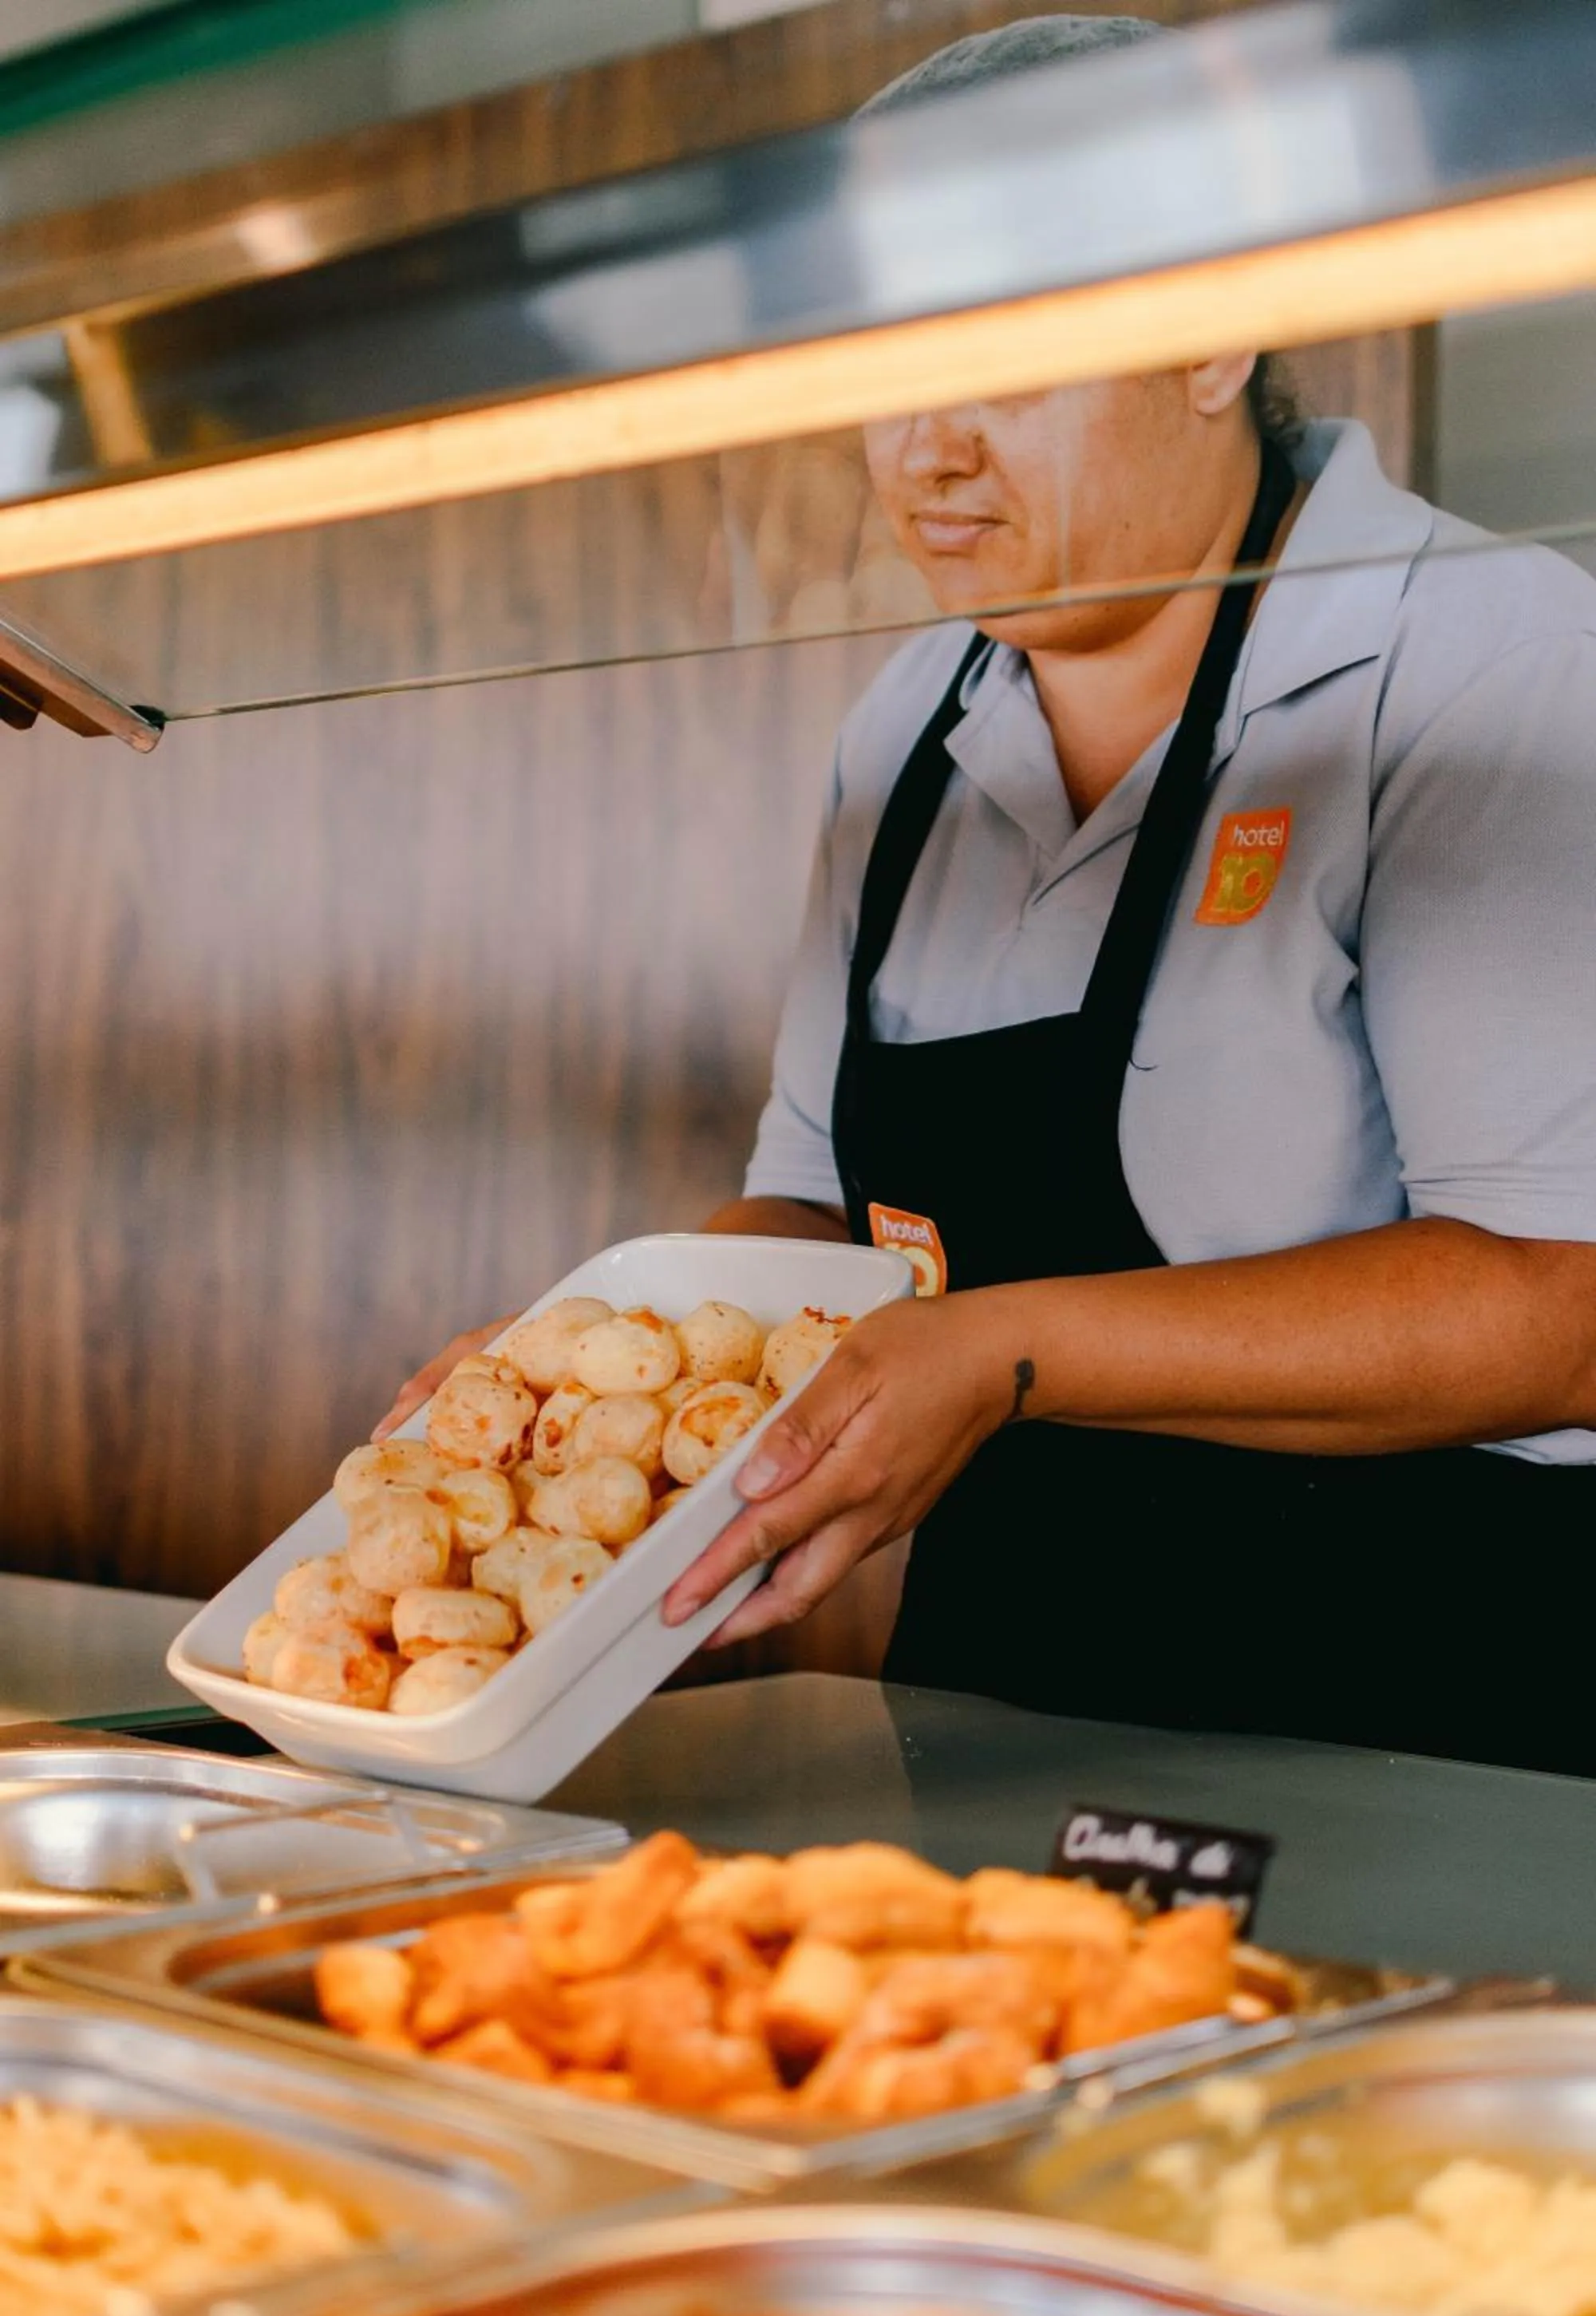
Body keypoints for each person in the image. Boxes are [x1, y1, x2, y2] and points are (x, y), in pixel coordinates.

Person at [381, 18, 1596, 1769]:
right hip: (1000, 1723)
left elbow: (1562, 1305)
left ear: (1214, 337)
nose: (927, 455)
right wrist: (580, 1353)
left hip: (1422, 1726)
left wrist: (996, 1351)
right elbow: (809, 1215)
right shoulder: (911, 723)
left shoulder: (1474, 656)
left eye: (1004, 357)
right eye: (884, 366)